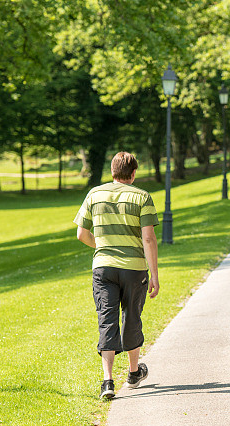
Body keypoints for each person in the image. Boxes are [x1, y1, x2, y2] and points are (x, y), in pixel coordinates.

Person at [74, 151, 160, 400]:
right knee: (132, 317)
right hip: (134, 268)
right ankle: (133, 373)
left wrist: (102, 247)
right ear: (133, 173)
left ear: (112, 171)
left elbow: (81, 233)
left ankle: (108, 381)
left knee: (107, 319)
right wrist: (153, 274)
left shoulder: (94, 194)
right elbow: (148, 238)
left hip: (103, 267)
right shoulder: (142, 196)